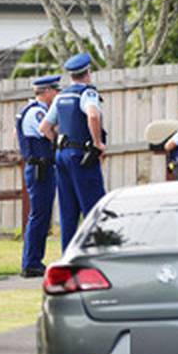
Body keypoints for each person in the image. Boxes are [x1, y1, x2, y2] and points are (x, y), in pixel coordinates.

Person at [40, 52, 107, 249]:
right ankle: (96, 254)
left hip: (62, 155)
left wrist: (60, 144)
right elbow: (93, 116)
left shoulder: (61, 96)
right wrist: (97, 143)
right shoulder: (87, 93)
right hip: (82, 156)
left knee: (68, 211)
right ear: (88, 72)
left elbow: (44, 127)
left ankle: (68, 257)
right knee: (93, 207)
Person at [16, 74, 61, 277]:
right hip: (40, 169)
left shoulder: (33, 110)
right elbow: (47, 133)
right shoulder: (37, 113)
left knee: (41, 215)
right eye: (55, 90)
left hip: (39, 168)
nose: (57, 94)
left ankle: (34, 260)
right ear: (47, 92)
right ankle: (31, 262)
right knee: (39, 215)